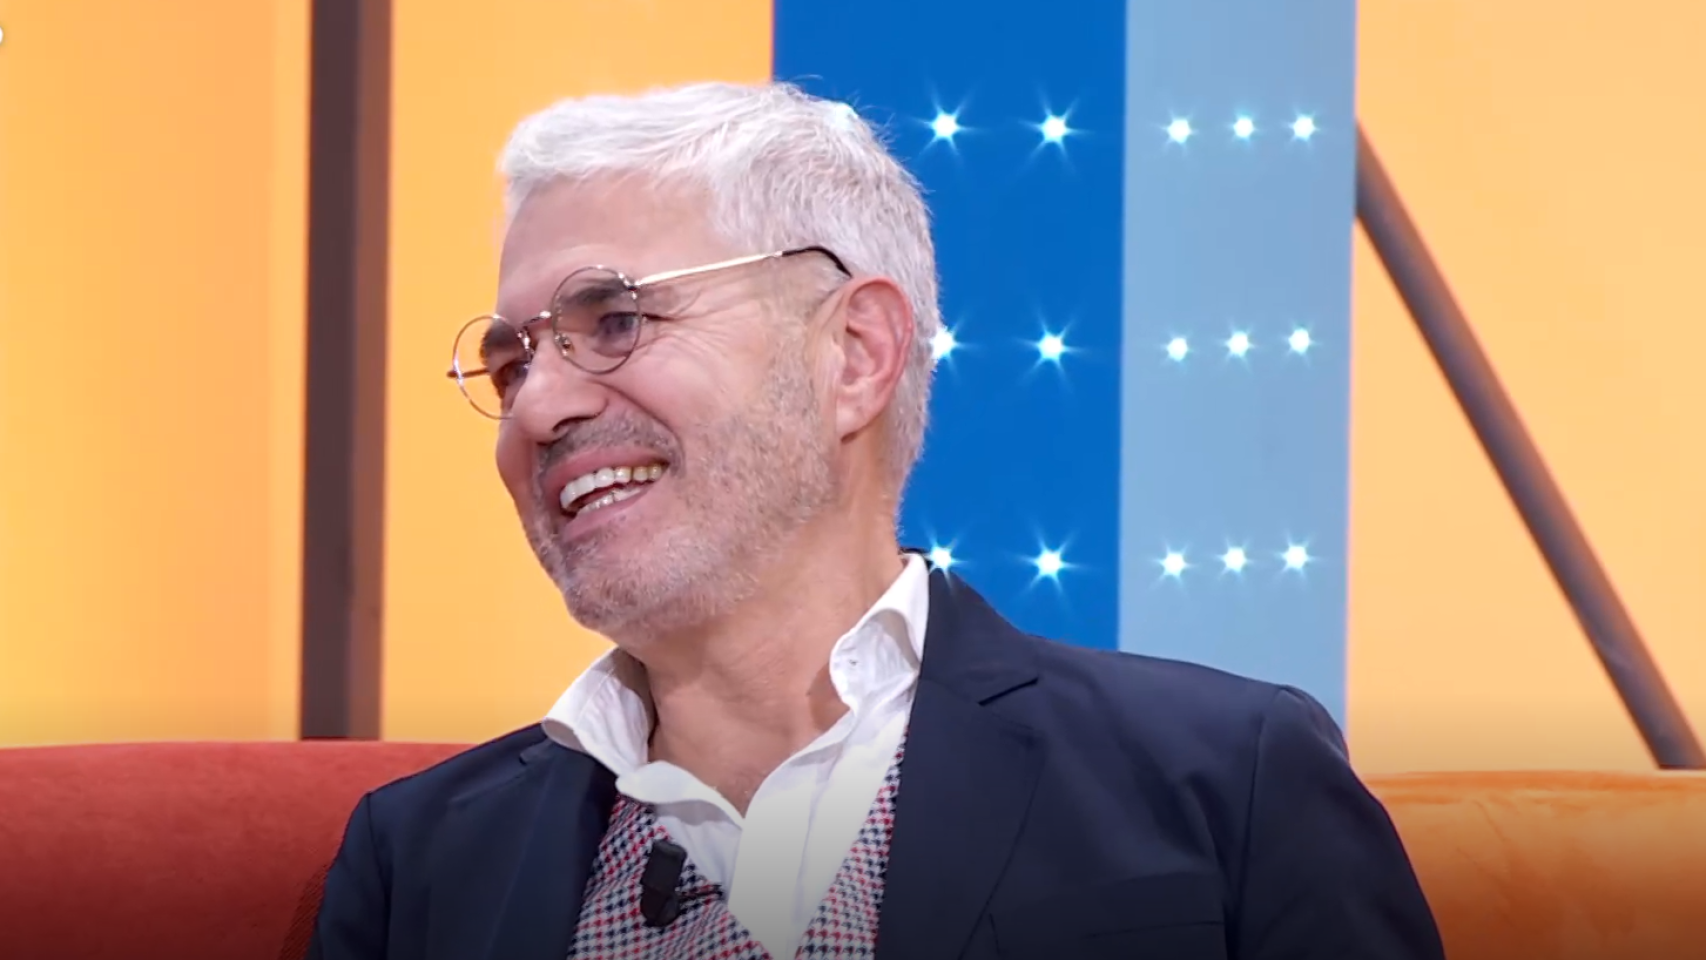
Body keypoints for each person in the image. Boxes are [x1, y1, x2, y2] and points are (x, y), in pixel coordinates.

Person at [309, 81, 1444, 960]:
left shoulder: (1224, 781)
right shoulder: (422, 864)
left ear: (853, 355)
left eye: (613, 321)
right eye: (513, 362)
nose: (537, 408)